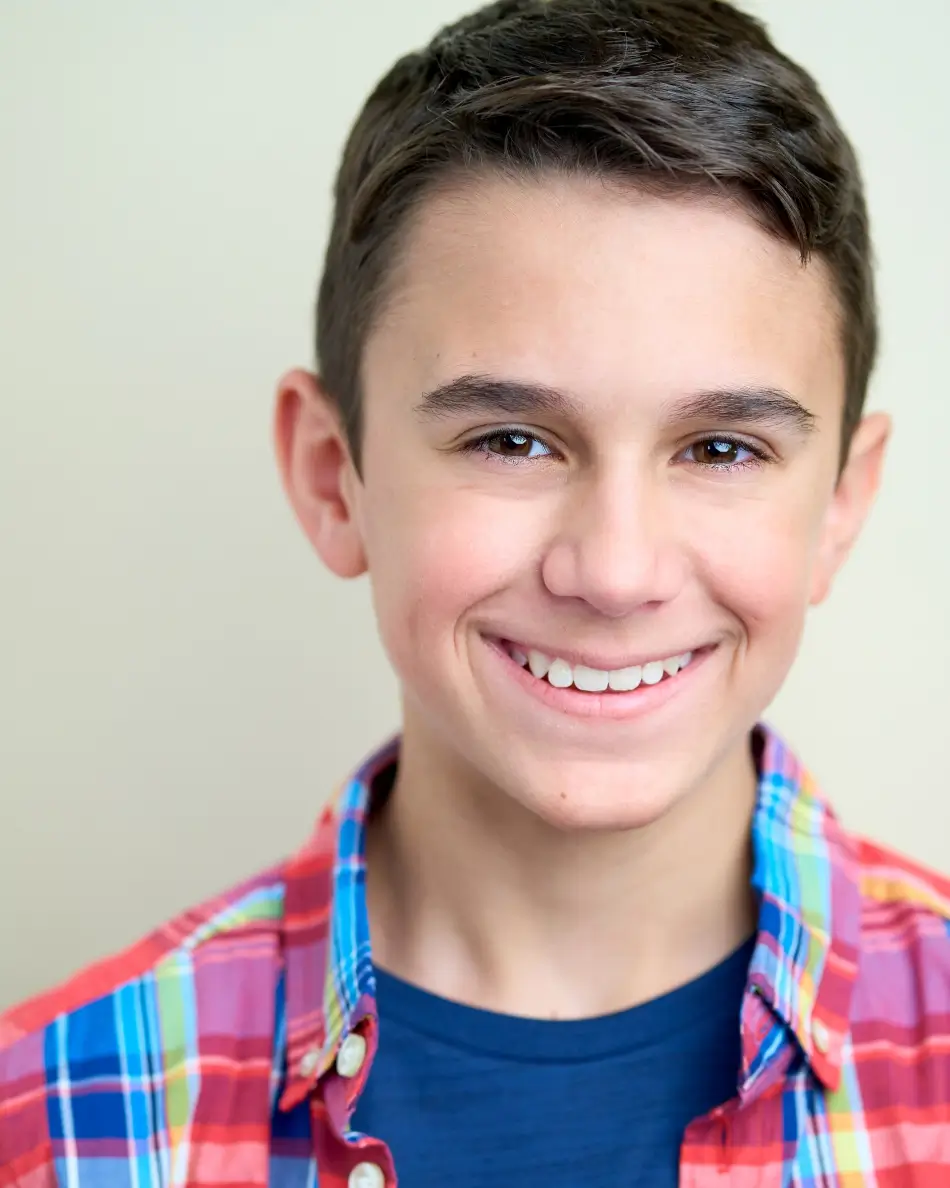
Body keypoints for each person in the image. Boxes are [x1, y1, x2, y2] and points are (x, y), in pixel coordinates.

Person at [3, 0, 949, 1183]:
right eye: (510, 440)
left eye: (719, 450)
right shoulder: (55, 1127)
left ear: (840, 504)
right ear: (330, 477)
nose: (613, 572)